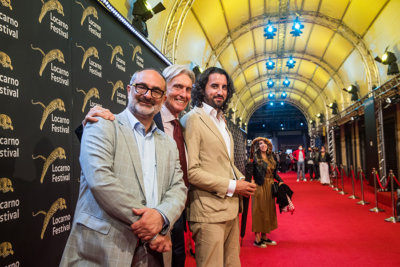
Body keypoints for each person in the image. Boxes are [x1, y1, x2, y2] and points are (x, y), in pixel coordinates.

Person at [60, 69, 187, 266]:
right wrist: (150, 228)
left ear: (162, 100)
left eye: (155, 91)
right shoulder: (101, 124)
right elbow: (101, 181)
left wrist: (162, 217)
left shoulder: (169, 144)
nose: (147, 95)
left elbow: (178, 188)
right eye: (141, 87)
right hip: (104, 249)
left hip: (155, 254)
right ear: (129, 90)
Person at [181, 67, 256, 267]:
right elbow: (191, 172)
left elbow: (226, 163)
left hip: (231, 209)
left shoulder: (221, 120)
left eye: (224, 87)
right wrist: (234, 186)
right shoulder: (193, 119)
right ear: (202, 89)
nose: (220, 92)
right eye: (214, 86)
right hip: (207, 213)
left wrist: (241, 179)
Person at [246, 137, 283, 248]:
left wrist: (281, 182)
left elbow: (274, 173)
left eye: (265, 143)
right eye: (261, 143)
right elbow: (249, 170)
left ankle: (264, 237)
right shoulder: (254, 157)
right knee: (259, 211)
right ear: (257, 146)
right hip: (259, 185)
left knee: (268, 211)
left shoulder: (271, 157)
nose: (263, 145)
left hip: (270, 185)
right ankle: (257, 239)